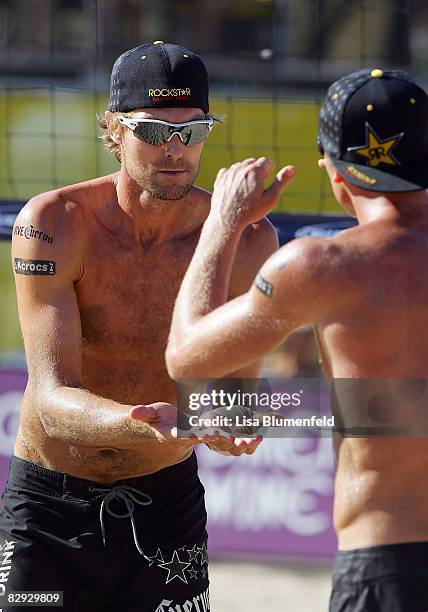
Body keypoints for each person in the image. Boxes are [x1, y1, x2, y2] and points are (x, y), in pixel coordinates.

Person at [2, 41, 276, 612]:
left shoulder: (248, 237)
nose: (174, 149)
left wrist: (229, 421)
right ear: (114, 129)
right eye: (153, 132)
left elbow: (235, 394)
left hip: (166, 508)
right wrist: (145, 422)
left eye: (194, 130)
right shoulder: (54, 223)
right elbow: (51, 398)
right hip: (48, 508)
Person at [166, 68, 428, 612]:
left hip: (391, 561)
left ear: (334, 173)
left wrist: (224, 224)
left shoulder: (324, 265)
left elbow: (186, 354)